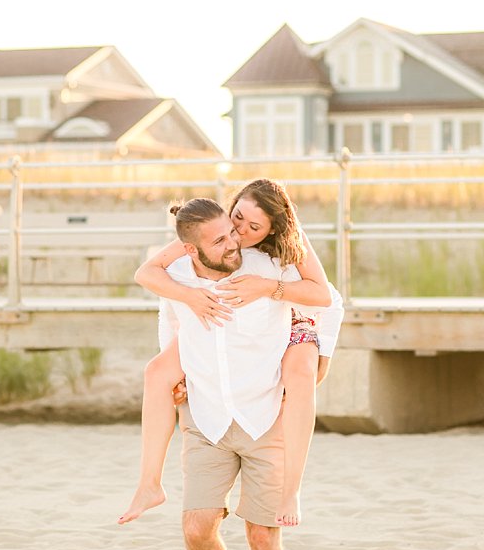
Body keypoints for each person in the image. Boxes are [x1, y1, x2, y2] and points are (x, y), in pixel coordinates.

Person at [119, 178, 343, 528]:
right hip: (233, 321)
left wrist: (269, 288)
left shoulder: (288, 244)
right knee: (157, 372)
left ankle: (291, 490)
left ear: (273, 228)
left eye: (254, 227)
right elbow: (149, 274)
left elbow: (324, 298)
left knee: (299, 377)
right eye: (237, 217)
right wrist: (188, 296)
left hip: (299, 313)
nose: (240, 231)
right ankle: (149, 484)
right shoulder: (217, 232)